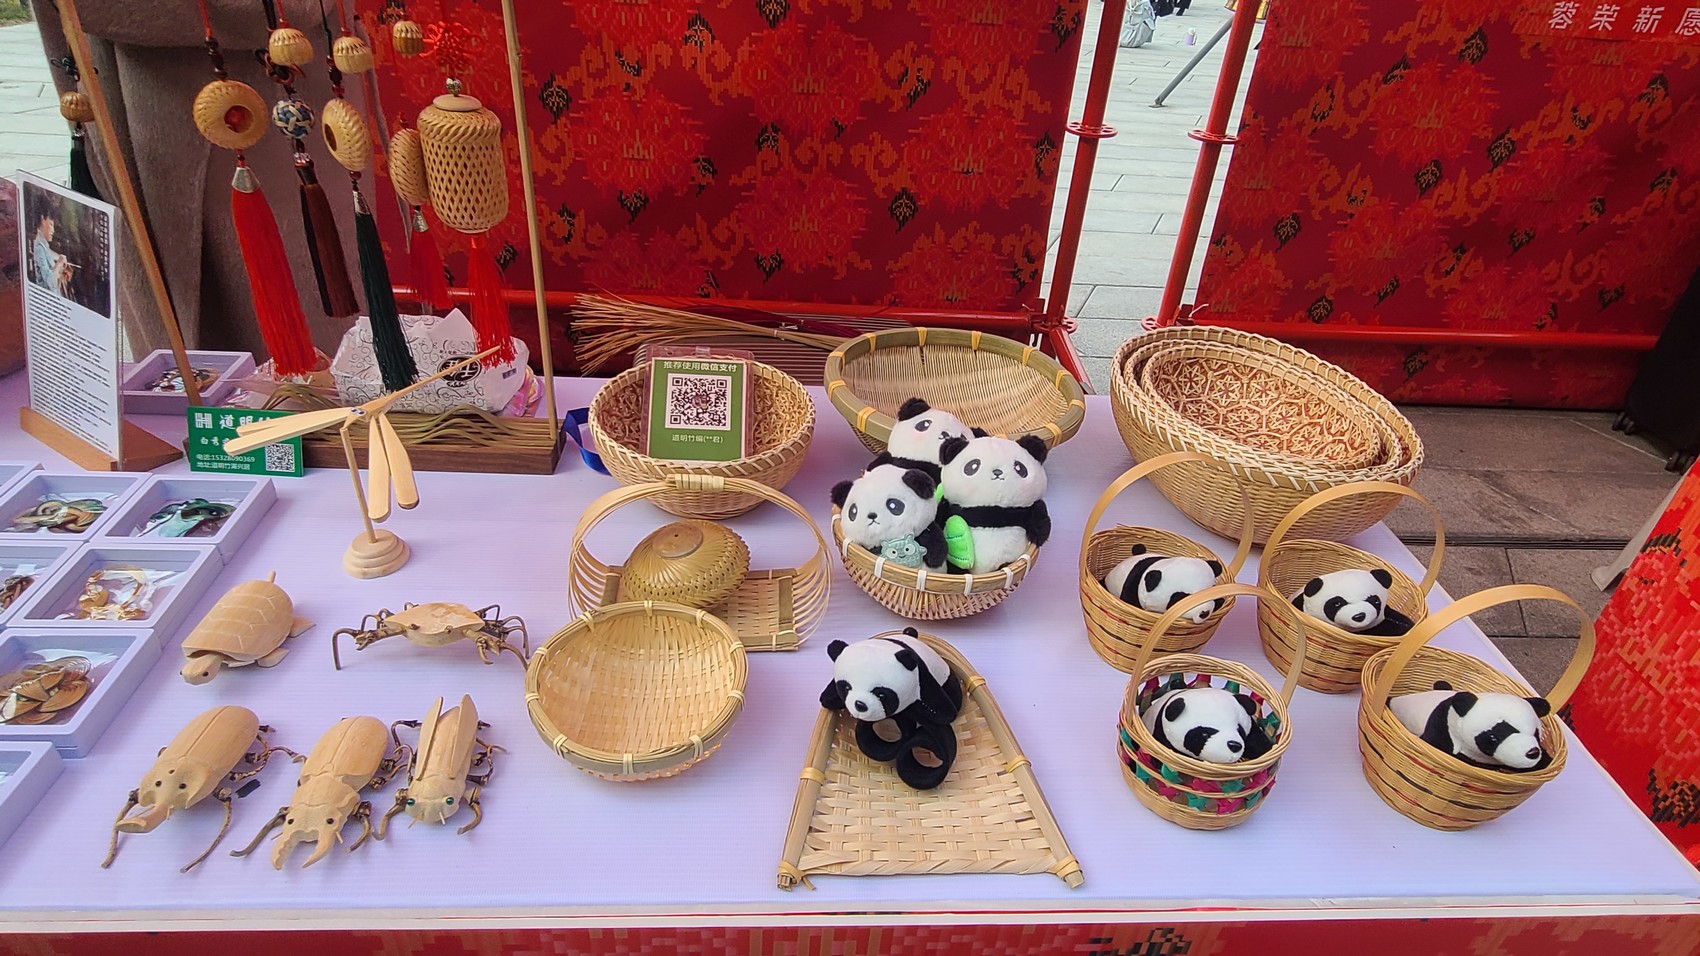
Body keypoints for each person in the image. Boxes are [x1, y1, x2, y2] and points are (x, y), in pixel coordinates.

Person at [30, 214, 71, 297]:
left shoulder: (44, 245)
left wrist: (61, 262)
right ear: (43, 220)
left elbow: (51, 254)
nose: (53, 231)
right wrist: (59, 263)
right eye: (51, 224)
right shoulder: (39, 247)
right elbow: (50, 282)